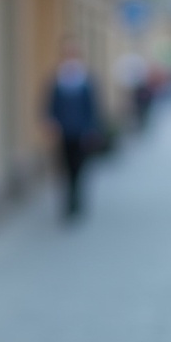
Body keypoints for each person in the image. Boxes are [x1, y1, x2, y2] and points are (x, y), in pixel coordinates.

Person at [47, 38, 104, 222]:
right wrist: (51, 122)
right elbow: (51, 105)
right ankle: (68, 203)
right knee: (65, 168)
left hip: (81, 132)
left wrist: (91, 129)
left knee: (79, 167)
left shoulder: (86, 80)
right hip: (64, 131)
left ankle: (77, 201)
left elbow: (92, 108)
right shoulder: (58, 79)